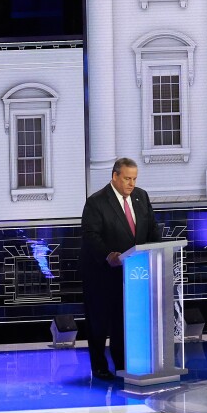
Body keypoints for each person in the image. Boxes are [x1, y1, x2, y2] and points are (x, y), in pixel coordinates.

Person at [80, 157, 162, 381]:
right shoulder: (96, 202)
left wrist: (158, 249)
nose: (131, 183)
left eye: (134, 179)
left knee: (123, 321)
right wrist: (109, 256)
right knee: (99, 322)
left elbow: (152, 229)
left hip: (134, 273)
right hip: (103, 274)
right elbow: (91, 236)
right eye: (127, 178)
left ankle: (123, 365)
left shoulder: (141, 197)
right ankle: (99, 367)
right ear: (115, 176)